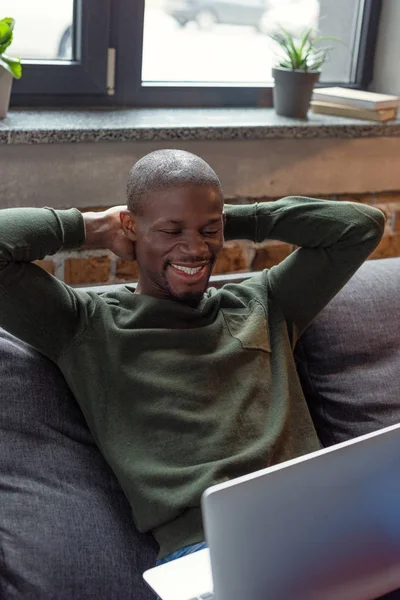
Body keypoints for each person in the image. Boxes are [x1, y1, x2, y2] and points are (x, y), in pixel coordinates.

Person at [0, 149, 385, 566]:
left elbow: (359, 226)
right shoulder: (84, 326)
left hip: (328, 526)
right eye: (171, 231)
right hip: (211, 551)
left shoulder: (266, 302)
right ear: (132, 227)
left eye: (207, 230)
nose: (195, 248)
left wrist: (227, 219)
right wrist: (95, 227)